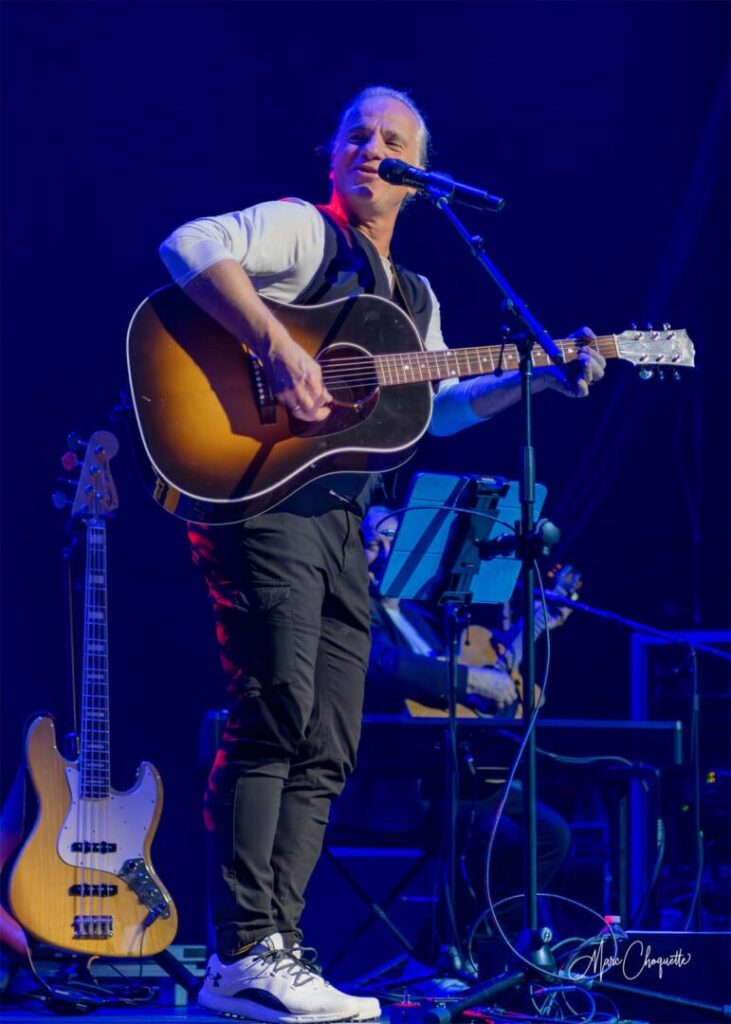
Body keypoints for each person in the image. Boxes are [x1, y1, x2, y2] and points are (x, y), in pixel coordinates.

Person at [158, 85, 605, 1023]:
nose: (370, 146)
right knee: (275, 708)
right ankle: (239, 951)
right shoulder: (301, 231)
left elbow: (434, 410)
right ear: (332, 154)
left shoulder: (415, 299)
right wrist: (276, 344)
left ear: (417, 176)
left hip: (335, 517)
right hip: (258, 492)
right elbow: (189, 245)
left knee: (329, 737)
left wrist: (536, 379)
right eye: (356, 134)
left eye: (391, 139)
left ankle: (278, 950)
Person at [330, 504, 571, 980]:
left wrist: (528, 635)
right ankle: (449, 955)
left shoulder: (425, 617)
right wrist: (469, 680)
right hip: (399, 786)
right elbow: (382, 667)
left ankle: (467, 947)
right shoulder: (349, 613)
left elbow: (475, 686)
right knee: (496, 836)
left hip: (459, 780)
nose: (384, 555)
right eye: (372, 543)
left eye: (394, 543)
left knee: (550, 834)